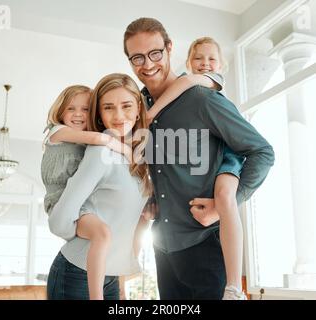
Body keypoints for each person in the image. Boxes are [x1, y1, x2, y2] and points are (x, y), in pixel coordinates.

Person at [123, 17, 275, 300]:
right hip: (163, 248)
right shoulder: (135, 108)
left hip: (206, 247)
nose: (148, 63)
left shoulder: (202, 99)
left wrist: (224, 205)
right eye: (137, 57)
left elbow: (262, 152)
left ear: (169, 49)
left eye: (155, 53)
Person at [140, 36, 246, 299]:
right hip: (166, 241)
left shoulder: (206, 85)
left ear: (221, 66)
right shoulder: (183, 94)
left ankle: (234, 286)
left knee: (224, 197)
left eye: (212, 59)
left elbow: (186, 81)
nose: (205, 64)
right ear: (189, 61)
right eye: (199, 58)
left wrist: (151, 113)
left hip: (230, 153)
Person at [44, 74, 152, 300]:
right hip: (76, 274)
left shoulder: (136, 158)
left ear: (138, 107)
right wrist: (85, 228)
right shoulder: (101, 151)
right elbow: (59, 222)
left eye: (126, 106)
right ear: (100, 114)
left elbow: (125, 225)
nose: (119, 116)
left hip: (111, 276)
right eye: (109, 107)